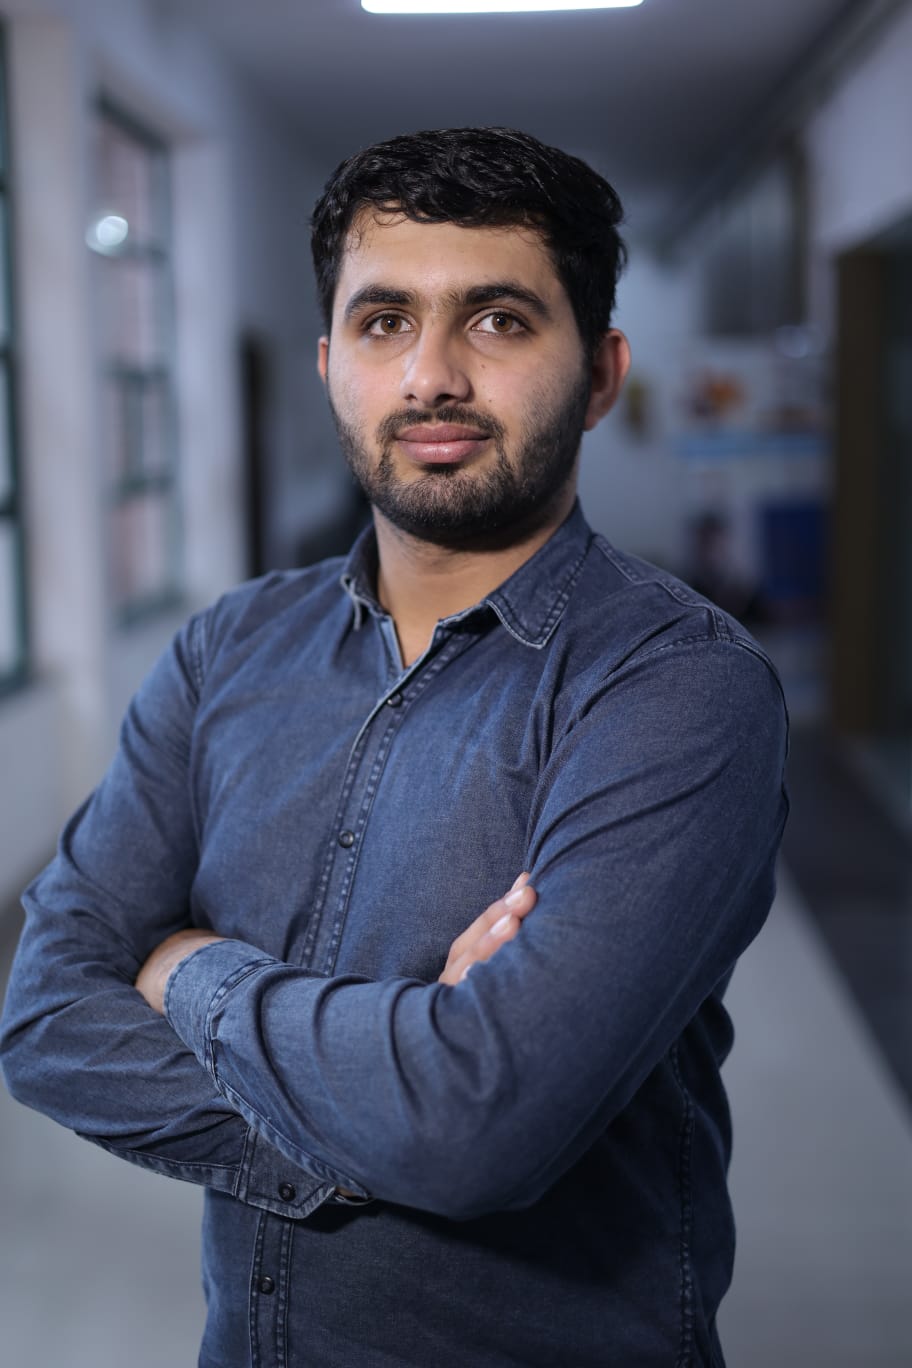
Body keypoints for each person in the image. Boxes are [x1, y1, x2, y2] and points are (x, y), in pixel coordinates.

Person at [0, 127, 788, 1367]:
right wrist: (399, 1100)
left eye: (499, 321)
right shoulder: (227, 652)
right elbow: (46, 1016)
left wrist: (188, 970)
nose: (431, 376)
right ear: (331, 365)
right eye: (383, 323)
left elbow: (483, 1128)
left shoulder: (678, 686)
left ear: (600, 374)